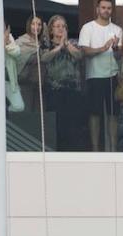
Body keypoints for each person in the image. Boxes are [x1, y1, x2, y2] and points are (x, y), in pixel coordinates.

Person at [78, 0, 123, 152]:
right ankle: (96, 149)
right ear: (97, 9)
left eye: (109, 8)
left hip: (113, 75)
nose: (106, 10)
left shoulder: (117, 29)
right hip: (94, 75)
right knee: (95, 114)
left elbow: (119, 56)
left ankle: (113, 149)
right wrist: (103, 48)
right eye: (103, 8)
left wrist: (116, 48)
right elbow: (85, 51)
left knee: (113, 114)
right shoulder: (88, 27)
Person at [44, 15, 86, 152]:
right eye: (57, 26)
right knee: (57, 125)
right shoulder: (46, 44)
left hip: (73, 90)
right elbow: (44, 58)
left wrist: (66, 44)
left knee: (73, 124)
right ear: (51, 30)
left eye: (63, 26)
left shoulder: (73, 42)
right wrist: (58, 47)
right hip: (55, 89)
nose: (61, 29)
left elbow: (79, 56)